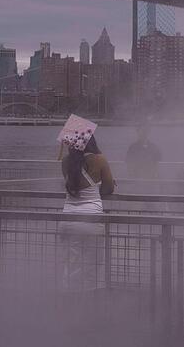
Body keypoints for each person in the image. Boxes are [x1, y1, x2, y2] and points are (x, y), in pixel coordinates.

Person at [57, 115, 115, 291]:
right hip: (91, 219)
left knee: (70, 264)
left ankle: (68, 299)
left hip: (67, 219)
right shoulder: (100, 160)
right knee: (92, 265)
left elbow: (72, 185)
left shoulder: (66, 162)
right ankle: (90, 302)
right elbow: (108, 188)